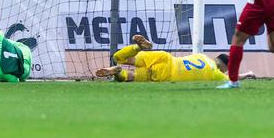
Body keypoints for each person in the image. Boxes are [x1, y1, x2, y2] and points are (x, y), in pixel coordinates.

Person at [96, 35, 254, 82]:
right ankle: (117, 73)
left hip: (166, 58)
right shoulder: (215, 74)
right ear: (225, 68)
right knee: (128, 77)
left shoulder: (202, 56)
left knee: (118, 57)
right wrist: (246, 74)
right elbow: (231, 79)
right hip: (166, 74)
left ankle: (137, 48)